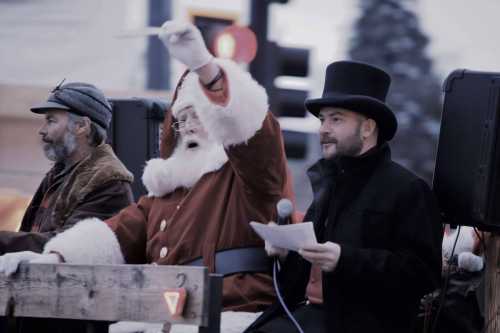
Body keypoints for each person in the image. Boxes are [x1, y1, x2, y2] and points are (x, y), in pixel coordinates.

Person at [0, 21, 293, 332]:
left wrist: (206, 69)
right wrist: (53, 258)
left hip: (228, 317)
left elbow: (254, 134)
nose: (189, 126)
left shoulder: (249, 177)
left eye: (199, 115)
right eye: (182, 119)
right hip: (164, 318)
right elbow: (113, 234)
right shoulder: (163, 196)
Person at [245, 61, 443, 333]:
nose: (323, 129)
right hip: (304, 317)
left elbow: (423, 275)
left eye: (336, 119)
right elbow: (304, 277)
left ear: (367, 128)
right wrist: (283, 255)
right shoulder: (329, 183)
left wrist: (345, 259)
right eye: (322, 119)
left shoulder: (408, 189)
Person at [0, 82, 134, 332]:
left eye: (51, 120)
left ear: (81, 126)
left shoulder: (109, 181)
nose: (42, 130)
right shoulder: (61, 172)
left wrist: (3, 242)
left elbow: (67, 246)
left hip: (72, 320)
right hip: (42, 311)